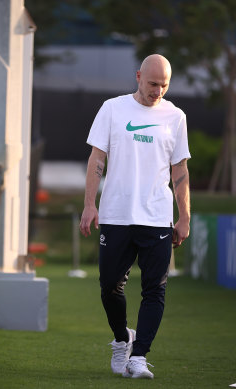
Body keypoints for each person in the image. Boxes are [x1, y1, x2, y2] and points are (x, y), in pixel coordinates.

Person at [79, 54, 191, 379]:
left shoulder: (175, 117)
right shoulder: (112, 109)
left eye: (164, 85)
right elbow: (96, 158)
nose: (158, 90)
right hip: (115, 214)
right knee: (109, 287)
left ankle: (139, 356)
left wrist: (184, 216)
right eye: (153, 83)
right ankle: (121, 339)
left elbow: (180, 169)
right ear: (139, 76)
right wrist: (89, 204)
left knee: (154, 289)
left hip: (157, 216)